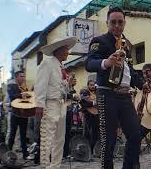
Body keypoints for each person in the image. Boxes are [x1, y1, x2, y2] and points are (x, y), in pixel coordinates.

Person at [85, 7, 143, 169]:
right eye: (113, 22)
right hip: (106, 95)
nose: (117, 25)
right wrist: (106, 62)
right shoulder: (99, 41)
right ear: (107, 23)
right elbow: (89, 64)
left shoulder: (127, 44)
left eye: (120, 22)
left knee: (135, 136)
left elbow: (128, 70)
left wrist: (142, 84)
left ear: (124, 23)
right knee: (108, 140)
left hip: (125, 97)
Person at [34, 36, 77, 168]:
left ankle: (55, 166)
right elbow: (40, 84)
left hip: (61, 105)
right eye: (66, 50)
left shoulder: (61, 66)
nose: (68, 52)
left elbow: (62, 88)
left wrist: (69, 85)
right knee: (48, 139)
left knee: (60, 139)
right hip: (50, 104)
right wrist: (39, 105)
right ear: (58, 50)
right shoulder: (47, 63)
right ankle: (45, 166)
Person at [7, 71, 29, 160]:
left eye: (24, 76)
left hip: (24, 114)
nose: (23, 78)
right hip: (15, 114)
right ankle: (7, 154)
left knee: (23, 136)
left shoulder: (25, 87)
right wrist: (21, 95)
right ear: (16, 77)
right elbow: (12, 97)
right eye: (21, 76)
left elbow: (28, 100)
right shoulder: (11, 86)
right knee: (12, 135)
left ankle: (25, 154)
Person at [80, 80, 99, 153]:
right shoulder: (85, 92)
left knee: (95, 133)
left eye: (93, 85)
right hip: (88, 115)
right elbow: (84, 103)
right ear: (88, 85)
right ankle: (86, 151)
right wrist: (94, 103)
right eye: (91, 85)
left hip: (96, 115)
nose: (93, 86)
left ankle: (93, 150)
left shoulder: (97, 92)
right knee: (87, 133)